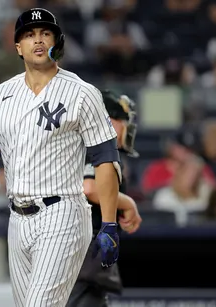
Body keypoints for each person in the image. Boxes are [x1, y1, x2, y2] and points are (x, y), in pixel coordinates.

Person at [0, 8, 122, 307]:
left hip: (63, 213)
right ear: (17, 46)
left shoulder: (82, 92)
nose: (37, 40)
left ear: (57, 41)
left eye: (45, 33)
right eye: (29, 35)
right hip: (17, 220)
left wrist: (108, 223)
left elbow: (106, 157)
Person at [67, 91, 143, 307]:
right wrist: (129, 203)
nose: (126, 127)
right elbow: (89, 188)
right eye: (121, 120)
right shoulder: (92, 144)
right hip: (79, 257)